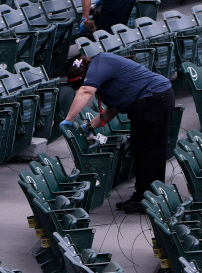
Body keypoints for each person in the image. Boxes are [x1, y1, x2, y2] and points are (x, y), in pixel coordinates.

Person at [59, 53, 175, 214]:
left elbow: (86, 90)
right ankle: (142, 196)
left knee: (150, 150)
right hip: (149, 100)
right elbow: (112, 110)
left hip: (153, 98)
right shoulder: (103, 77)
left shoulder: (99, 64)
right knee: (139, 148)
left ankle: (149, 199)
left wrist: (69, 119)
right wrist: (89, 127)